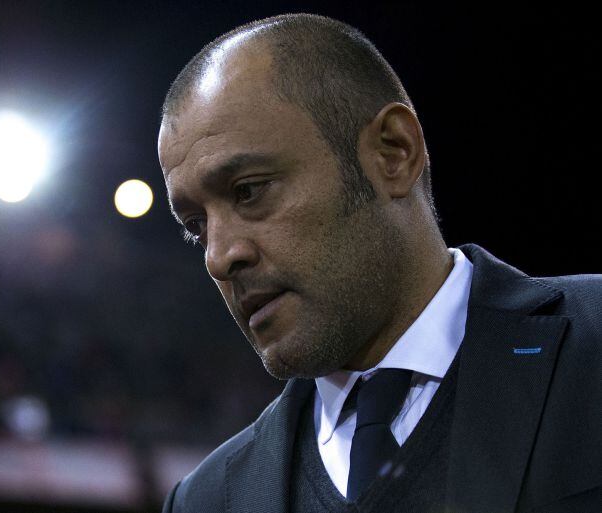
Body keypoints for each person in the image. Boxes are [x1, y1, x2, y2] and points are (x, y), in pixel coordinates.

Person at [156, 13, 602, 513]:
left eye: (249, 191)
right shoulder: (206, 501)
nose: (218, 257)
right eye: (196, 226)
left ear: (394, 153)